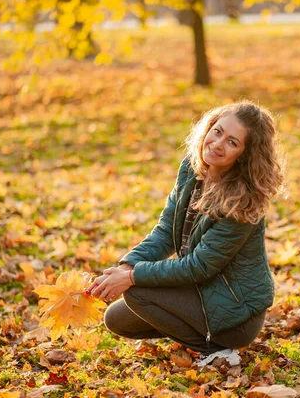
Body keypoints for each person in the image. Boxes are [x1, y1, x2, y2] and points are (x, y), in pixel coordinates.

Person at [86, 100, 285, 367]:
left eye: (232, 142)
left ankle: (216, 349)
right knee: (117, 319)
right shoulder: (192, 170)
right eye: (217, 131)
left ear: (245, 155)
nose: (217, 144)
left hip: (237, 313)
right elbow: (167, 231)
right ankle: (198, 331)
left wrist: (132, 277)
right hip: (201, 291)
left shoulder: (242, 201)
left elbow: (198, 267)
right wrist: (126, 267)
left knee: (137, 292)